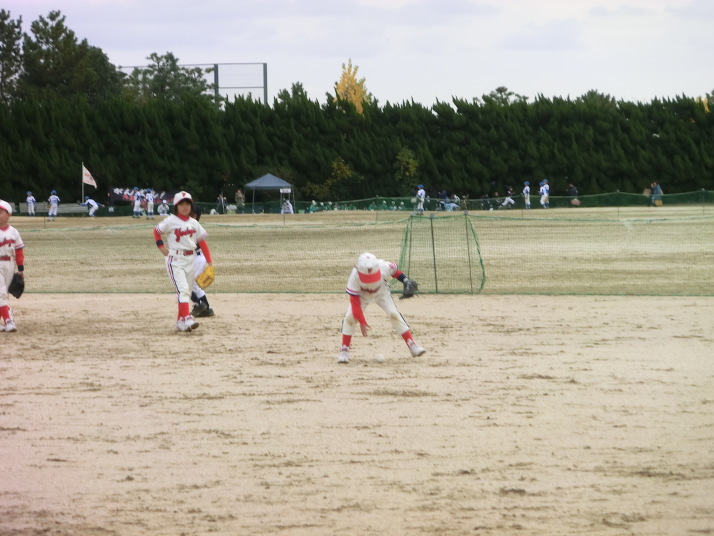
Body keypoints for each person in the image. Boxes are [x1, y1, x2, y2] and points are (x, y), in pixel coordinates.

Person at [338, 252, 426, 364]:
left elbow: (395, 272)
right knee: (349, 317)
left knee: (394, 314)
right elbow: (355, 303)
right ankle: (344, 350)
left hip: (381, 292)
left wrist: (405, 280)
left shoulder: (383, 266)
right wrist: (362, 321)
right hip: (362, 296)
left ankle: (412, 345)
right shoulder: (354, 276)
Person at [153, 191, 213, 332]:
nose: (185, 207)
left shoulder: (194, 223)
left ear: (191, 206)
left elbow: (202, 242)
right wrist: (161, 247)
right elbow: (156, 232)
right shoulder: (170, 221)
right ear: (176, 206)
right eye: (182, 204)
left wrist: (210, 263)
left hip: (190, 260)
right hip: (175, 259)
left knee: (186, 291)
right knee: (183, 290)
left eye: (187, 204)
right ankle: (187, 318)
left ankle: (180, 321)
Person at [0, 199, 24, 332]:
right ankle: (9, 320)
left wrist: (20, 269)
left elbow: (19, 251)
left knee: (3, 293)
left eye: (0, 212)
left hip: (9, 264)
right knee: (1, 292)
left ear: (8, 214)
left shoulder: (13, 232)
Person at [188, 204, 215, 318]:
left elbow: (204, 245)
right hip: (192, 258)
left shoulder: (195, 227)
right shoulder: (187, 226)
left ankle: (201, 305)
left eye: (189, 212)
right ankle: (205, 308)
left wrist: (210, 263)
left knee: (190, 284)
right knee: (191, 285)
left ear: (194, 216)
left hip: (197, 258)